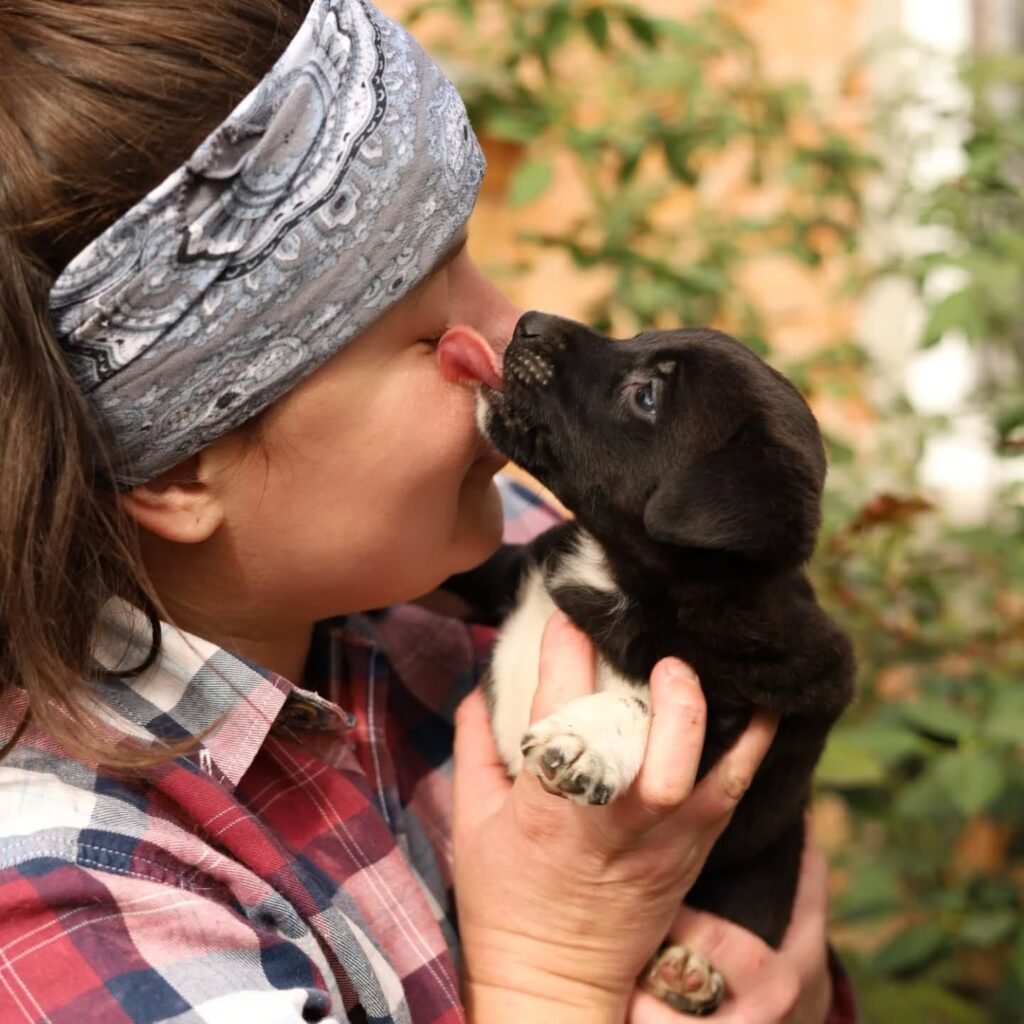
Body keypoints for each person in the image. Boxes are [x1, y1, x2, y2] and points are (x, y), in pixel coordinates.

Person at [0, 1, 857, 1021]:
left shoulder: (502, 567)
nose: (507, 329)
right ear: (181, 469)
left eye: (470, 257)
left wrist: (792, 987)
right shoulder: (70, 903)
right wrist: (550, 974)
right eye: (421, 329)